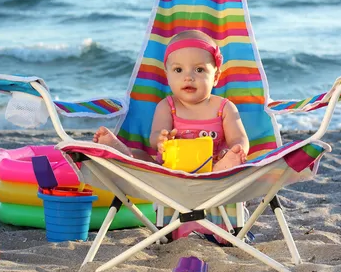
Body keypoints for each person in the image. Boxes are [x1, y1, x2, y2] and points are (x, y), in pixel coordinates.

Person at [93, 30, 249, 171]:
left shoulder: (224, 108)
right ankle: (120, 152)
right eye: (178, 70)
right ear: (167, 76)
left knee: (228, 166)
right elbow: (154, 137)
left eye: (199, 70)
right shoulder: (167, 106)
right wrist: (161, 139)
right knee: (140, 155)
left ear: (215, 77)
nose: (188, 77)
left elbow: (238, 137)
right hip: (169, 172)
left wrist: (236, 149)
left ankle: (226, 166)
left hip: (212, 171)